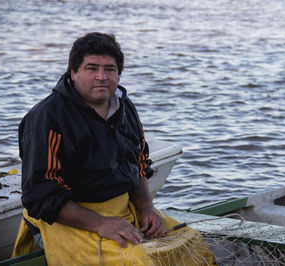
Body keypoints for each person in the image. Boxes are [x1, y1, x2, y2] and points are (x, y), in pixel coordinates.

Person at [12, 32, 214, 265]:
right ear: (73, 72)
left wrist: (147, 208)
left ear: (118, 74)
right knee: (135, 259)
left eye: (110, 69)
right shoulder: (47, 118)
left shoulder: (124, 107)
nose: (101, 76)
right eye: (92, 68)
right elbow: (40, 195)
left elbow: (138, 163)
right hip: (68, 219)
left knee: (192, 241)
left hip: (124, 209)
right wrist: (101, 224)